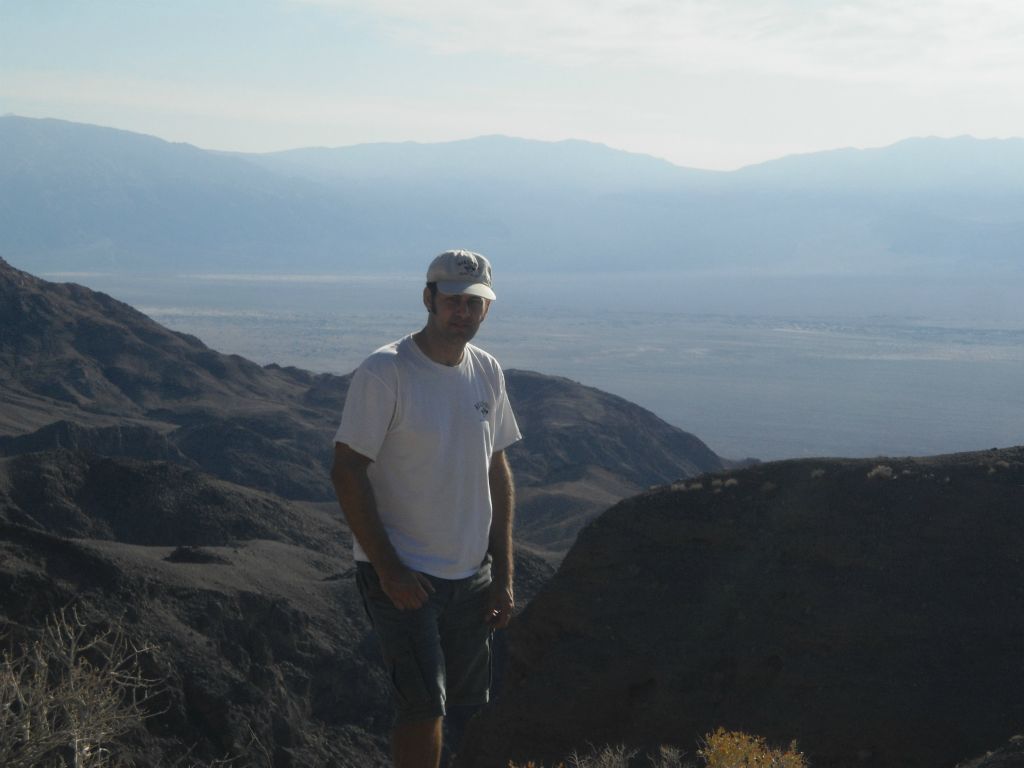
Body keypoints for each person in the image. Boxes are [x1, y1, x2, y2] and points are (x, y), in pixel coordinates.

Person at [330, 249, 521, 768]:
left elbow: (496, 469)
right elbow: (346, 469)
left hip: (470, 575)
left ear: (487, 309)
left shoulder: (486, 371)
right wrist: (389, 570)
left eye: (474, 303)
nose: (463, 312)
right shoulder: (386, 372)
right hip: (404, 575)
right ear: (428, 299)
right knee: (421, 708)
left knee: (461, 705)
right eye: (453, 301)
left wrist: (502, 573)